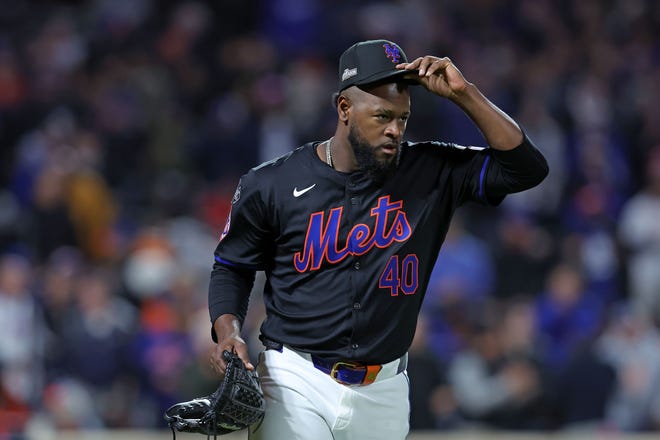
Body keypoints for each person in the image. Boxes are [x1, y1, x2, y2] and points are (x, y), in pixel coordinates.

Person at [207, 39, 548, 439]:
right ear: (345, 109)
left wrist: (465, 95)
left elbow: (527, 169)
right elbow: (232, 266)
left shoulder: (429, 169)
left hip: (385, 387)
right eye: (383, 115)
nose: (395, 130)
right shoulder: (272, 183)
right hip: (294, 377)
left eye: (403, 118)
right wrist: (228, 334)